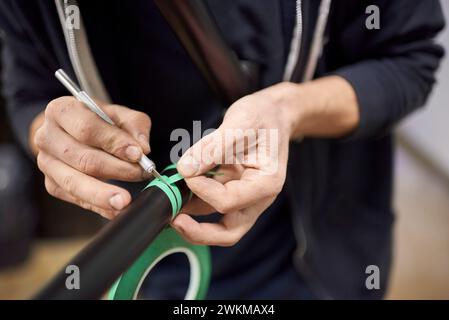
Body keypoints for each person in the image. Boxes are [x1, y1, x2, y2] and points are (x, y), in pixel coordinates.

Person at [0, 0, 445, 299]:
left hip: (319, 262)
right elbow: (31, 88)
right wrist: (52, 132)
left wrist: (290, 109)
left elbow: (408, 61)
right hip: (146, 256)